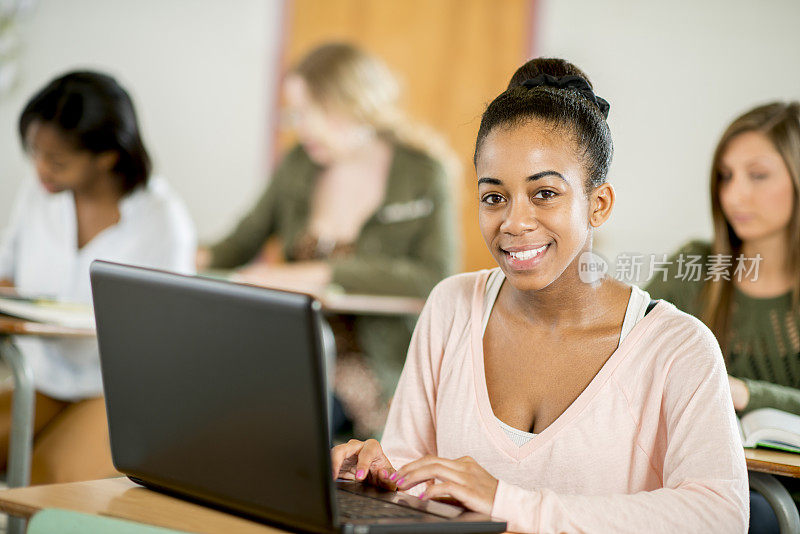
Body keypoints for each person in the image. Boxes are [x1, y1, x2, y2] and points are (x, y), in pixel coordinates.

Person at [330, 58, 748, 533]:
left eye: (544, 193)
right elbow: (413, 472)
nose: (514, 222)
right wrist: (374, 476)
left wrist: (506, 502)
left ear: (598, 204)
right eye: (494, 197)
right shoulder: (452, 305)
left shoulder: (677, 347)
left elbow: (720, 516)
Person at [197, 43, 458, 437]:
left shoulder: (422, 173)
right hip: (287, 351)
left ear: (354, 104)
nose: (299, 127)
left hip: (370, 366)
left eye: (309, 113)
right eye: (293, 114)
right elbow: (234, 248)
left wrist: (318, 274)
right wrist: (181, 252)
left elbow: (435, 277)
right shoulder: (298, 164)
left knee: (273, 420)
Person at [0, 70, 196, 483]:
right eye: (34, 153)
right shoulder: (40, 195)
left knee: (43, 483)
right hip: (42, 372)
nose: (40, 171)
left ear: (107, 156)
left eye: (56, 161)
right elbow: (7, 272)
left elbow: (173, 336)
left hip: (118, 391)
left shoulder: (162, 222)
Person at [646, 102, 800, 533]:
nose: (734, 195)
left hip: (780, 501)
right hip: (686, 481)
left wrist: (743, 392)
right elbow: (623, 353)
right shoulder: (694, 265)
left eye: (758, 175)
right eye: (726, 177)